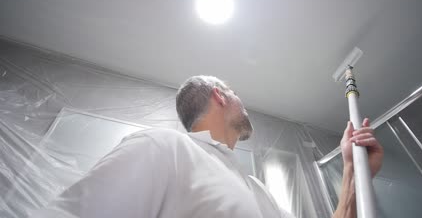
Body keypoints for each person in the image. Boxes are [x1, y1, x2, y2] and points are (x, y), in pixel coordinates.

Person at [31, 75, 383, 218]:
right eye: (236, 93)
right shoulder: (163, 147)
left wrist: (354, 174)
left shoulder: (256, 189)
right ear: (220, 95)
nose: (243, 103)